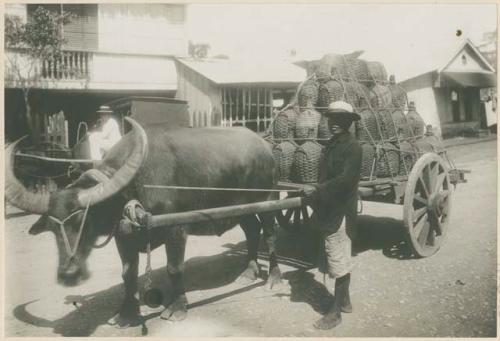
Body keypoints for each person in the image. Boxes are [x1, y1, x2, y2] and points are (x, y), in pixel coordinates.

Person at [301, 101, 362, 330]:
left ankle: (334, 313)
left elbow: (346, 181)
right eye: (331, 119)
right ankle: (344, 301)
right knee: (332, 255)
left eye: (341, 120)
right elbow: (324, 176)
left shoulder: (354, 147)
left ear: (349, 123)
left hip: (341, 211)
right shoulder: (330, 145)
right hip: (327, 208)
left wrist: (317, 190)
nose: (335, 123)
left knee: (338, 259)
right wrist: (315, 189)